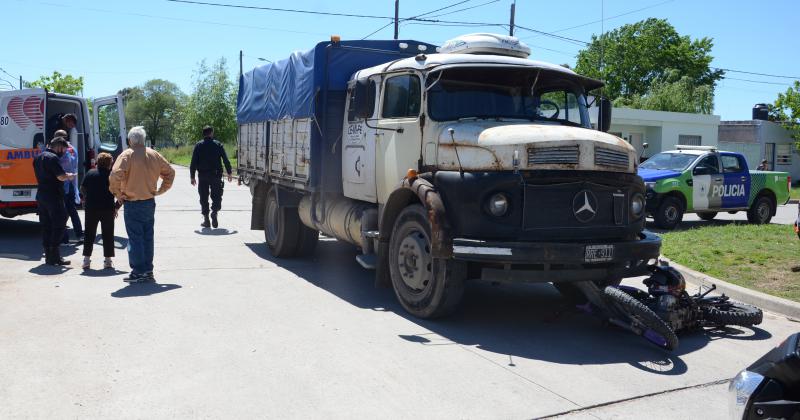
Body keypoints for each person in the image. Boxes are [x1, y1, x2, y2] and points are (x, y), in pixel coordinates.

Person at [109, 126, 175, 283]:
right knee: (147, 237)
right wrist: (160, 190)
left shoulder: (127, 155)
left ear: (131, 139)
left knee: (135, 238)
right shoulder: (154, 154)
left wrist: (118, 194)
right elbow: (170, 172)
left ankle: (138, 271)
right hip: (149, 201)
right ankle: (148, 270)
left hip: (132, 203)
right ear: (143, 139)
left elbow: (114, 176)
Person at [33, 137, 76, 265]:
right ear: (58, 147)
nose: (64, 152)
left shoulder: (38, 158)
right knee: (60, 223)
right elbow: (60, 176)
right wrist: (70, 176)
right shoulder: (52, 158)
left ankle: (48, 256)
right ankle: (54, 255)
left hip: (41, 195)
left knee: (46, 225)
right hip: (53, 195)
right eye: (64, 149)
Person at [80, 152, 121, 270]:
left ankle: (86, 260)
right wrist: (116, 207)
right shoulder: (112, 176)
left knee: (89, 234)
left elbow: (82, 188)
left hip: (91, 208)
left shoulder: (90, 173)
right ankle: (108, 261)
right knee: (108, 234)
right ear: (109, 163)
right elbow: (120, 193)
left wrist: (86, 199)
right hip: (108, 208)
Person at [189, 126, 232, 228]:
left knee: (203, 196)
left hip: (203, 175)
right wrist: (229, 172)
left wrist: (192, 176)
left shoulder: (198, 146)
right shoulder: (218, 145)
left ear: (204, 134)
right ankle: (214, 212)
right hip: (216, 175)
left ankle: (206, 219)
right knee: (217, 195)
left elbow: (193, 162)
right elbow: (225, 159)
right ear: (211, 133)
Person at [55, 129, 83, 243]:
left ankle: (64, 239)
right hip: (71, 184)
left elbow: (60, 164)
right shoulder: (73, 149)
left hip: (63, 183)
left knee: (62, 212)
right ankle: (79, 233)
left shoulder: (62, 150)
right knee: (71, 210)